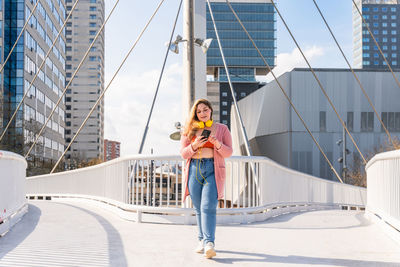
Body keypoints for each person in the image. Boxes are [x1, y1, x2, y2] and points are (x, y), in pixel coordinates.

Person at [180, 99, 232, 259]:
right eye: (199, 111)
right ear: (195, 114)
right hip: (194, 169)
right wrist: (194, 145)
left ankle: (210, 243)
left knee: (208, 206)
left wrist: (217, 144)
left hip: (213, 169)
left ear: (211, 110)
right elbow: (183, 153)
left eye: (205, 110)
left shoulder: (222, 129)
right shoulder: (189, 130)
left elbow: (229, 152)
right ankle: (201, 239)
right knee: (198, 208)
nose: (202, 113)